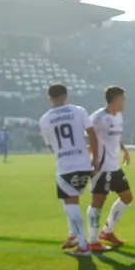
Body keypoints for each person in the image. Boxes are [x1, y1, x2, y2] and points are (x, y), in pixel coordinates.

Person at [38, 84, 99, 255]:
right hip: (83, 162)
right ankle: (73, 234)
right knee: (67, 200)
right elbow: (92, 135)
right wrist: (95, 158)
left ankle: (83, 245)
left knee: (70, 202)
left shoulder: (45, 119)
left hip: (65, 165)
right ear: (66, 95)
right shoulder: (79, 111)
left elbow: (50, 146)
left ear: (49, 98)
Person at [87, 86, 133, 250]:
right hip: (102, 167)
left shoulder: (119, 116)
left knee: (127, 197)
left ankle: (107, 231)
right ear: (116, 99)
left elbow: (115, 136)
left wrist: (123, 149)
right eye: (123, 99)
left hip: (114, 166)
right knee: (98, 202)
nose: (125, 102)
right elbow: (86, 136)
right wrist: (93, 157)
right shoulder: (98, 117)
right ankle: (92, 241)